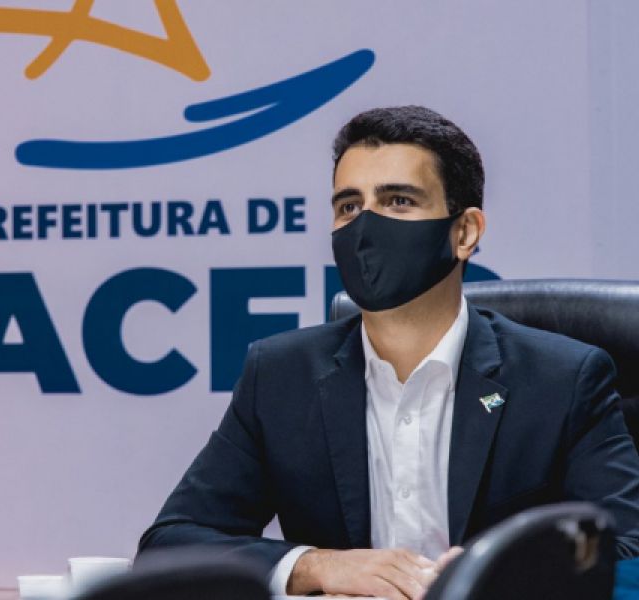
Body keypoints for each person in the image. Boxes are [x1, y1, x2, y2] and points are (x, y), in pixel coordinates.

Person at [137, 106, 639, 599]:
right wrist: (318, 566)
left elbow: (630, 555)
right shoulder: (280, 376)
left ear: (464, 232)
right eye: (348, 206)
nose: (366, 226)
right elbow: (172, 543)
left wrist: (497, 575)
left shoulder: (562, 379)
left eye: (398, 201)